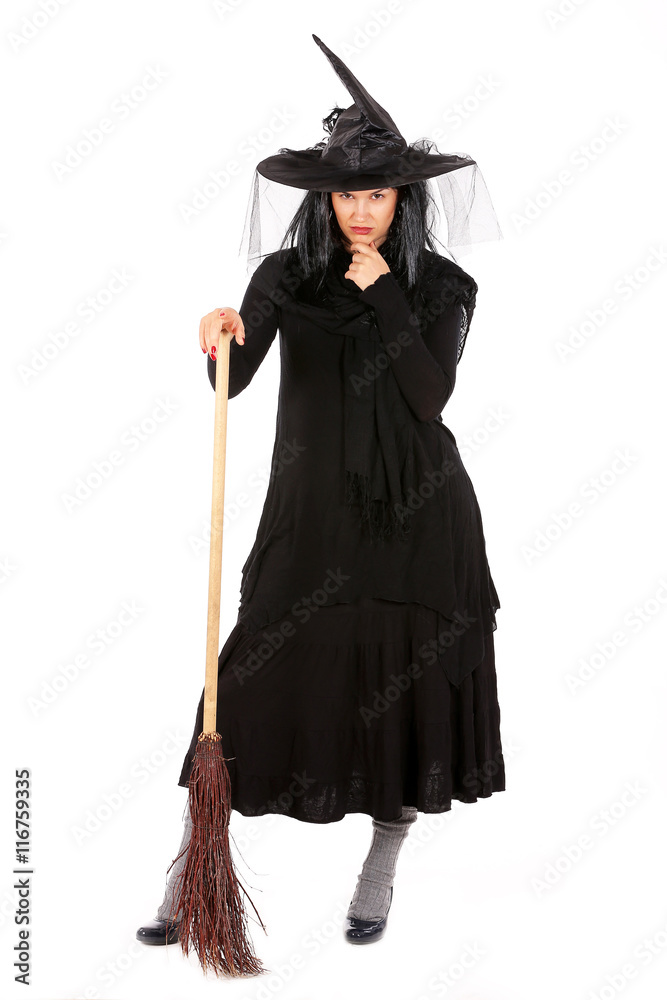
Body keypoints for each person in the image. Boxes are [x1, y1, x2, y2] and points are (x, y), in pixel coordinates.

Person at [136, 33, 505, 952]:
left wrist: (385, 296)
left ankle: (381, 861)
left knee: (398, 681)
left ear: (404, 197)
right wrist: (217, 333)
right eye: (347, 193)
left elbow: (429, 397)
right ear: (324, 197)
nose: (361, 210)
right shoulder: (285, 277)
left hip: (419, 521)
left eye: (377, 192)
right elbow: (239, 377)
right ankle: (198, 868)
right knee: (251, 674)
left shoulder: (444, 287)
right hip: (310, 518)